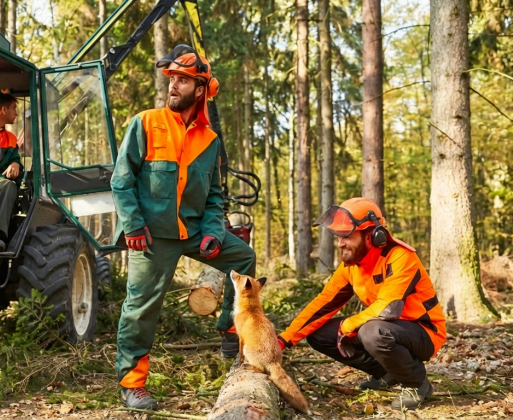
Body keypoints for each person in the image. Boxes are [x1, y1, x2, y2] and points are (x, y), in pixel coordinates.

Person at [110, 45, 256, 410]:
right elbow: (121, 181)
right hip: (151, 236)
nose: (172, 86)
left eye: (182, 81)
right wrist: (133, 226)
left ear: (201, 89)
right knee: (141, 309)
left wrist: (213, 231)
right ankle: (132, 384)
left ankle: (231, 328)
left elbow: (215, 195)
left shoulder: (210, 141)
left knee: (243, 258)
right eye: (171, 79)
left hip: (192, 233)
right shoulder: (146, 123)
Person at [276, 197, 446, 411]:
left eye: (347, 236)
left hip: (424, 331)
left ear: (373, 235)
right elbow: (323, 303)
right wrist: (283, 340)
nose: (340, 243)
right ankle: (387, 373)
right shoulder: (352, 265)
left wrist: (347, 327)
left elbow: (387, 308)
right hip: (387, 327)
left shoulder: (400, 257)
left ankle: (416, 383)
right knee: (319, 333)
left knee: (372, 332)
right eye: (339, 237)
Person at [0, 92, 23, 251]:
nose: (16, 113)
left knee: (8, 186)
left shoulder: (11, 138)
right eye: (14, 108)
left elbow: (15, 158)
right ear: (4, 110)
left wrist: (16, 164)